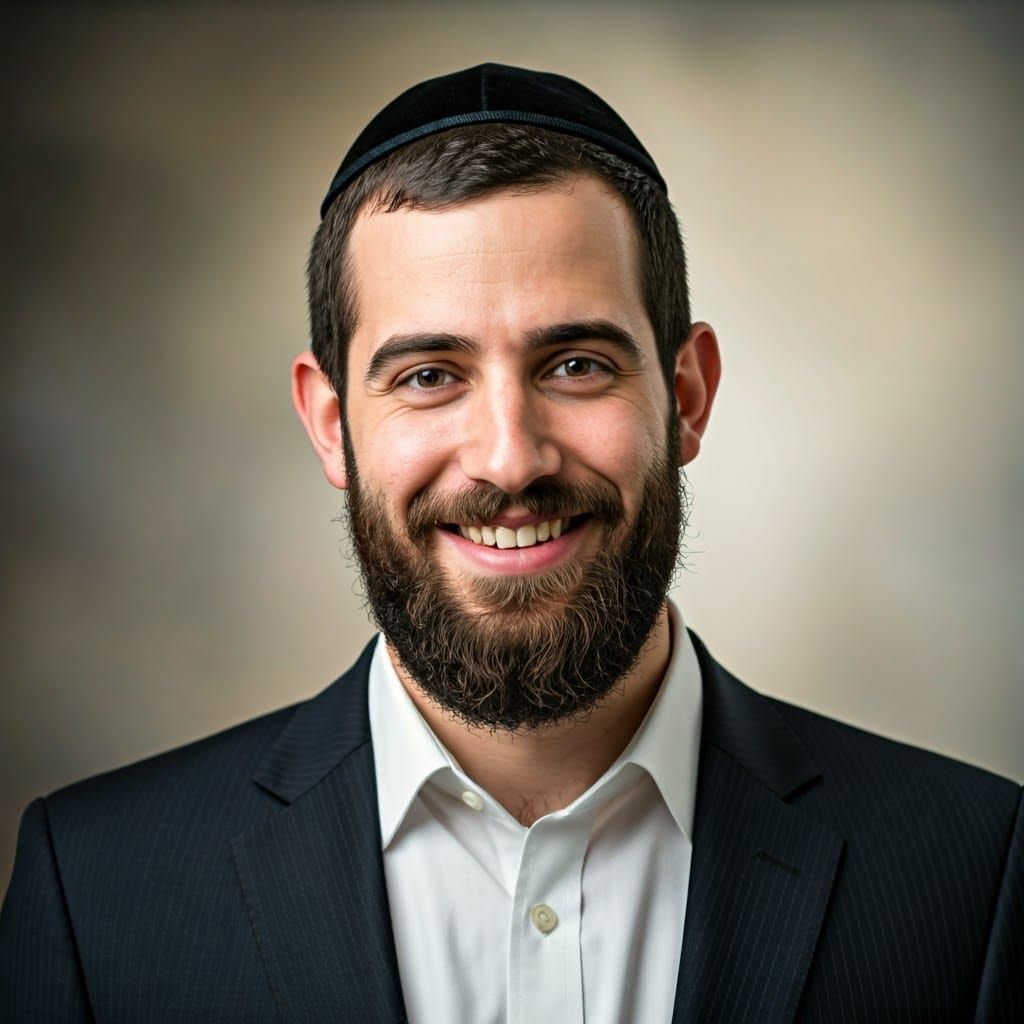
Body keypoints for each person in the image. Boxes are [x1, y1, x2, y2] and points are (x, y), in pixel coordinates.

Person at [1, 62, 1020, 1024]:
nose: (508, 460)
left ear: (688, 395)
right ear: (329, 423)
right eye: (429, 375)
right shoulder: (96, 888)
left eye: (575, 364)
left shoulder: (969, 874)